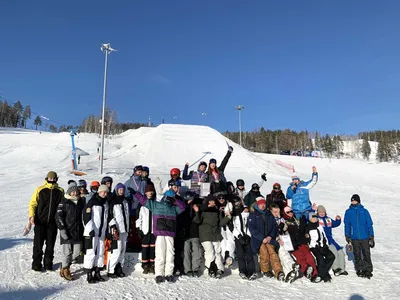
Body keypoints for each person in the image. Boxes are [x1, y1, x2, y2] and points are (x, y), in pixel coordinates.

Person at [130, 185, 186, 284]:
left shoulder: (174, 208)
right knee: (160, 254)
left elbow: (183, 207)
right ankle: (159, 274)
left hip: (170, 234)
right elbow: (144, 201)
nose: (170, 199)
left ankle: (169, 273)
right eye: (169, 197)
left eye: (172, 197)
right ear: (164, 197)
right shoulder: (156, 205)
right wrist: (135, 193)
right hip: (160, 233)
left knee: (170, 254)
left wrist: (175, 201)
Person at [29, 171, 64, 272]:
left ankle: (48, 264)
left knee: (50, 245)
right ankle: (36, 264)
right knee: (38, 245)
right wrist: (31, 216)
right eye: (50, 178)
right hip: (40, 222)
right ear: (47, 178)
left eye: (54, 178)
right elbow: (33, 204)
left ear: (56, 179)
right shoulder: (40, 189)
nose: (52, 180)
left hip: (53, 223)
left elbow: (62, 206)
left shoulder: (60, 191)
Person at [193, 194, 230, 279]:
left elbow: (220, 223)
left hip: (215, 234)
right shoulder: (202, 209)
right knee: (210, 252)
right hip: (205, 234)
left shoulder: (217, 211)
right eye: (211, 201)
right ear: (208, 201)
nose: (213, 203)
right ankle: (211, 268)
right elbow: (197, 220)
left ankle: (220, 269)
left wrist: (228, 217)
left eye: (214, 201)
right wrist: (197, 212)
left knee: (217, 251)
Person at [248, 196, 284, 281]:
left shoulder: (268, 214)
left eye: (264, 203)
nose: (263, 205)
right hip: (258, 240)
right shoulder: (253, 214)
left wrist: (270, 236)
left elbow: (274, 227)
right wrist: (262, 238)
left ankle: (278, 272)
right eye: (261, 204)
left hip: (268, 238)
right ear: (257, 204)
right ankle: (265, 270)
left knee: (273, 253)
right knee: (264, 253)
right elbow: (252, 229)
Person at [55, 182, 85, 281]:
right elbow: (58, 216)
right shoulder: (64, 202)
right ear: (69, 192)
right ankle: (65, 269)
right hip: (67, 231)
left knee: (77, 252)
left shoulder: (81, 201)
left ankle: (65, 265)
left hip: (78, 231)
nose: (74, 193)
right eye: (72, 191)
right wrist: (62, 229)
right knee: (66, 252)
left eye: (76, 191)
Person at [83, 184, 112, 284]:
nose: (105, 194)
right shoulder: (92, 202)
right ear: (99, 192)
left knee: (100, 252)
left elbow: (107, 218)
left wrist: (108, 229)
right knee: (91, 253)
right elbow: (86, 217)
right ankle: (89, 274)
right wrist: (89, 229)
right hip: (92, 232)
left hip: (102, 232)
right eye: (103, 192)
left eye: (106, 192)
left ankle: (97, 272)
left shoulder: (106, 203)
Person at [283, 206, 320, 283]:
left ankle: (314, 275)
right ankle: (306, 270)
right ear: (285, 213)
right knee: (300, 258)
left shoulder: (298, 220)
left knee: (309, 257)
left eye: (291, 211)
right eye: (288, 212)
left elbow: (308, 219)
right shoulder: (284, 222)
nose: (290, 213)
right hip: (293, 245)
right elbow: (283, 232)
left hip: (302, 242)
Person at [344, 194, 374, 279]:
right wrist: (347, 235)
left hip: (365, 237)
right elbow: (347, 224)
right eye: (352, 200)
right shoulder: (348, 212)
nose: (353, 202)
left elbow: (369, 224)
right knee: (357, 254)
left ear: (358, 201)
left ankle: (368, 269)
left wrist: (371, 236)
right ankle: (360, 269)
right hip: (354, 237)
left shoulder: (364, 211)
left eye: (355, 200)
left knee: (366, 253)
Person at [270, 204, 300, 283]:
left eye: (278, 212)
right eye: (275, 212)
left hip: (283, 239)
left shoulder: (281, 219)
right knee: (283, 252)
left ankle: (290, 272)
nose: (277, 214)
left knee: (285, 252)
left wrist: (283, 227)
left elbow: (285, 230)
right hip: (273, 241)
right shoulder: (269, 219)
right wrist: (277, 238)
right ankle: (291, 266)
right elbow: (268, 232)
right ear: (271, 211)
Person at [316, 205, 348, 276]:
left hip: (331, 239)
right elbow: (310, 218)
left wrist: (338, 220)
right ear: (318, 212)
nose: (322, 213)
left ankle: (342, 269)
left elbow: (335, 224)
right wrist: (312, 210)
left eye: (323, 212)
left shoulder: (328, 219)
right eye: (320, 212)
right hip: (325, 241)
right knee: (334, 252)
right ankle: (336, 269)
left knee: (341, 252)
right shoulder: (317, 219)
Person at [107, 183, 130, 278]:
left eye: (123, 190)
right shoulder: (113, 201)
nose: (121, 191)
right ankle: (111, 270)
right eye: (120, 190)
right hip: (117, 229)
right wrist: (113, 227)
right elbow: (110, 215)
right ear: (116, 190)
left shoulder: (125, 201)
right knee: (117, 250)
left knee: (123, 250)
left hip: (125, 229)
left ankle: (119, 267)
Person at [230, 196, 256, 280]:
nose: (238, 205)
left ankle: (251, 271)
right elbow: (232, 227)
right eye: (236, 203)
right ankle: (242, 271)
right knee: (240, 254)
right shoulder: (232, 214)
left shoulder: (245, 212)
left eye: (239, 203)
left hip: (247, 235)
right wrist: (239, 236)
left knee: (249, 253)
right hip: (238, 236)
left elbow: (248, 225)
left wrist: (248, 235)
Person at [306, 212, 335, 282]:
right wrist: (309, 241)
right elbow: (307, 239)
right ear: (310, 219)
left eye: (316, 217)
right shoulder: (308, 228)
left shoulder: (319, 226)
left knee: (331, 256)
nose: (315, 219)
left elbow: (324, 236)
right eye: (313, 218)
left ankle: (321, 274)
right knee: (320, 259)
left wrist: (325, 244)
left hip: (322, 246)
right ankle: (325, 276)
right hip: (314, 247)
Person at [181, 191, 203, 277]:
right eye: (187, 200)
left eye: (190, 200)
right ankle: (187, 269)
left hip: (194, 232)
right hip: (185, 233)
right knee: (186, 252)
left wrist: (197, 212)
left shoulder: (195, 207)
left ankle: (195, 269)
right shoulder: (183, 208)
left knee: (196, 251)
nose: (189, 201)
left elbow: (198, 220)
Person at [136, 185, 157, 274]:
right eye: (148, 192)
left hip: (153, 231)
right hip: (145, 230)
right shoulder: (141, 205)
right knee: (145, 248)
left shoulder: (155, 204)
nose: (150, 193)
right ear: (145, 193)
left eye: (152, 192)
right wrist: (138, 229)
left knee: (153, 248)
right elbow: (139, 218)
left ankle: (152, 265)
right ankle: (145, 265)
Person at [216, 194, 235, 268]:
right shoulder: (216, 206)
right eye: (219, 198)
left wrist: (228, 213)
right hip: (221, 226)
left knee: (230, 240)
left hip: (229, 225)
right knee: (223, 242)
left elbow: (231, 213)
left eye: (222, 198)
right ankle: (225, 258)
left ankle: (230, 257)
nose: (221, 200)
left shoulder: (229, 204)